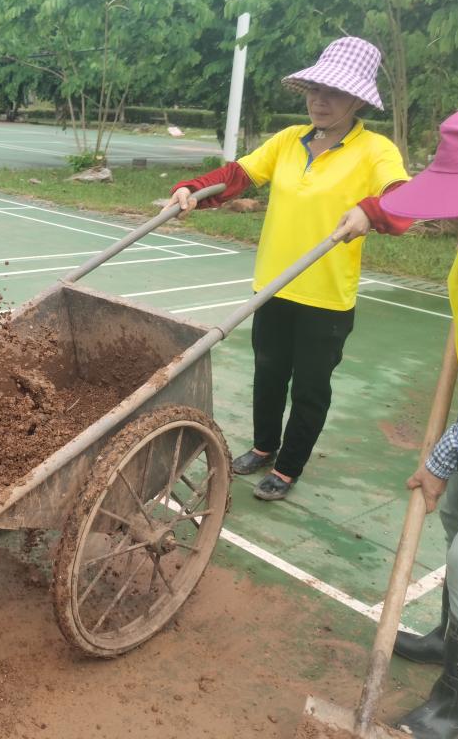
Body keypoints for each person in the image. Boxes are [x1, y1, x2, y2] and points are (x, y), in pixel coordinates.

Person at [167, 37, 411, 501]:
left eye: (334, 92)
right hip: (274, 287)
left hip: (326, 297)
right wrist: (193, 190)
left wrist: (370, 211)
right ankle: (263, 447)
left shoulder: (374, 150)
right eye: (315, 89)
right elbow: (237, 176)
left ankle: (290, 466)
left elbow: (402, 201)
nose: (320, 100)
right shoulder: (288, 141)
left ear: (358, 98)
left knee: (311, 388)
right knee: (268, 372)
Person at [381, 103, 458, 739]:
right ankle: (455, 636)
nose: (450, 211)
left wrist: (440, 458)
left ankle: (455, 702)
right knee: (453, 518)